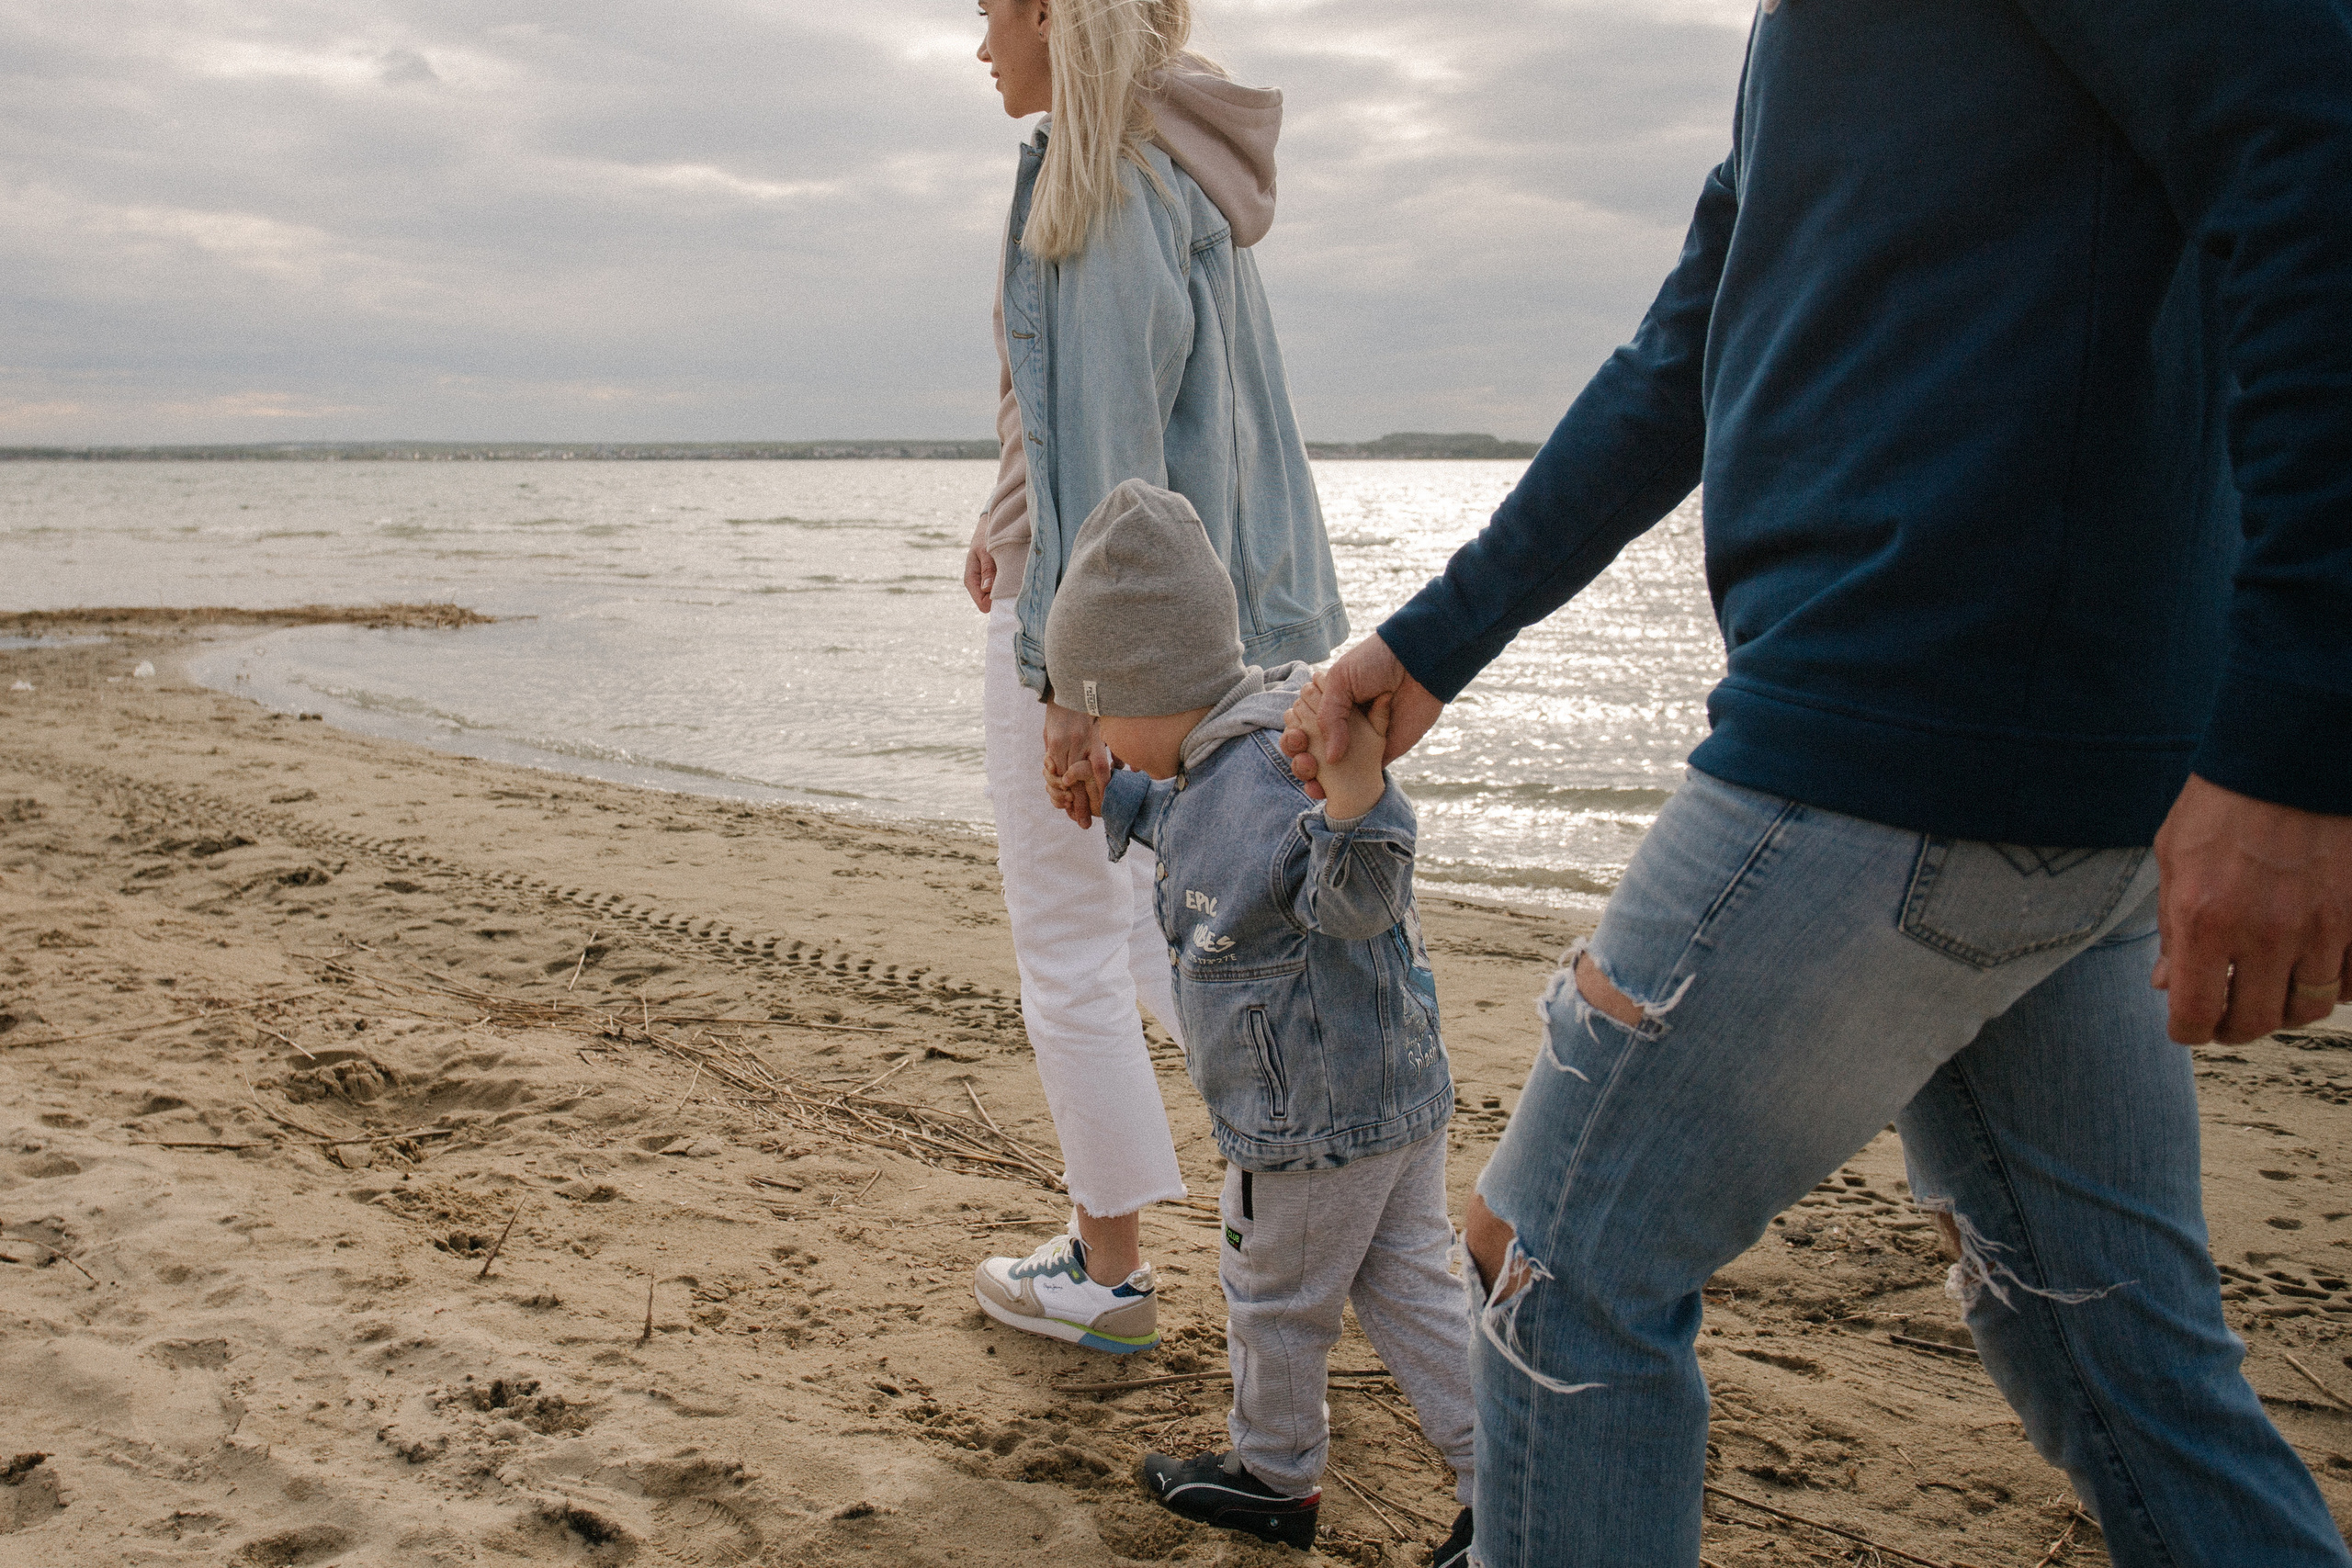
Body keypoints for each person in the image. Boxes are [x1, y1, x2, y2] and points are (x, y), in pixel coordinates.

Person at [1287, 2, 2352, 1563]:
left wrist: (2298, 739)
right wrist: (1440, 635)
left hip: (1910, 728)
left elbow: (2316, 157)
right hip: (2045, 781)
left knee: (1555, 1263)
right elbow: (1690, 345)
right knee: (2126, 1355)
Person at [960, 0, 1346, 1357]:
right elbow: (1120, 414)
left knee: (1073, 938)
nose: (979, 41)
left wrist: (1072, 682)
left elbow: (1118, 443)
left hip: (1110, 632)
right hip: (1209, 618)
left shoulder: (1103, 172)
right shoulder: (1181, 155)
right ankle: (1319, 1201)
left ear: (1060, 13)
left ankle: (1109, 1272)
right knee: (1170, 928)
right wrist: (1004, 510)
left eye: (994, 9)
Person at [1039, 479, 1475, 1565]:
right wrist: (1124, 800)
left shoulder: (1271, 778)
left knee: (1273, 1299)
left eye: (1097, 710)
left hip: (1308, 1129)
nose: (1094, 733)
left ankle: (1275, 1476)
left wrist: (1362, 798)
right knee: (1415, 1285)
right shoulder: (1221, 757)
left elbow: (1359, 893)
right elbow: (1208, 839)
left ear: (1150, 679)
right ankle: (1509, 1487)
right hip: (1393, 1096)